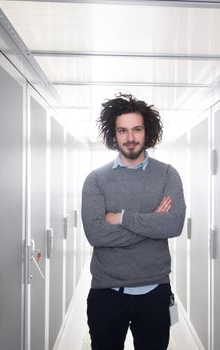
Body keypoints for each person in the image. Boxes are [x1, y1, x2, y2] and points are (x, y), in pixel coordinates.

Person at [81, 93, 186, 350]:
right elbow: (96, 234)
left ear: (146, 131)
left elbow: (174, 225)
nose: (130, 138)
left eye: (137, 129)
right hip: (107, 293)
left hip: (155, 292)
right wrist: (153, 222)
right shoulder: (96, 180)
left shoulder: (168, 175)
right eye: (123, 130)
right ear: (113, 135)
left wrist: (122, 218)